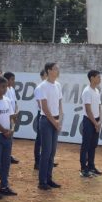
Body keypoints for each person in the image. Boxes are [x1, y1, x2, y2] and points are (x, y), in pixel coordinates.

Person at [34, 62, 62, 190]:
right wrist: (54, 121)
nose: (58, 70)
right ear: (49, 71)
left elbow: (59, 104)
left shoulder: (58, 85)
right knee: (46, 151)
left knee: (52, 152)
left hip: (55, 121)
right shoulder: (41, 87)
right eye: (55, 69)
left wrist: (59, 119)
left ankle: (49, 179)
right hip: (46, 121)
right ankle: (42, 181)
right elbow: (44, 107)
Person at [80, 70, 102, 177]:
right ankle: (83, 168)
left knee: (93, 145)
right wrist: (95, 123)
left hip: (96, 121)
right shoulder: (87, 91)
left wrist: (100, 121)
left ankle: (91, 166)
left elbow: (99, 107)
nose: (100, 79)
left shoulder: (97, 91)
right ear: (92, 78)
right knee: (86, 145)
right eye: (98, 77)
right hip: (89, 121)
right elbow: (88, 110)